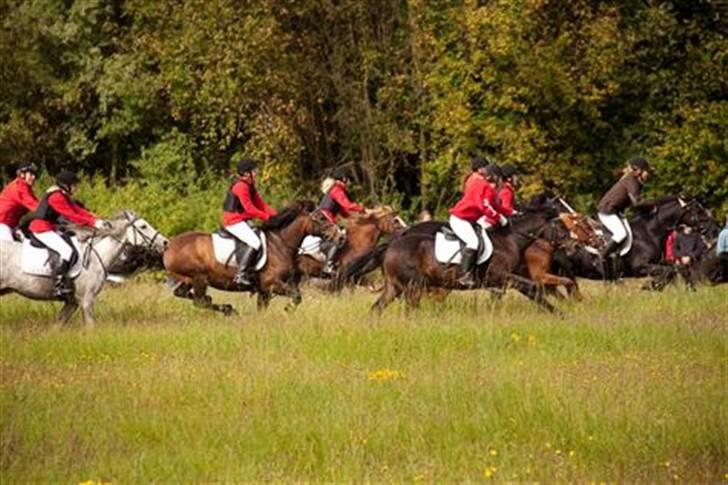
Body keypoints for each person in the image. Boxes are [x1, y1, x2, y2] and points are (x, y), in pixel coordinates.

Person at [29, 170, 109, 297]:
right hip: (41, 228)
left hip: (49, 227)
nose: (76, 188)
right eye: (74, 185)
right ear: (65, 185)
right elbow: (71, 215)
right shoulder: (56, 197)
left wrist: (96, 219)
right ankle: (58, 284)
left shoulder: (62, 195)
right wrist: (93, 223)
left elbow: (77, 210)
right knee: (67, 251)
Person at [449, 158, 508, 287]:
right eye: (500, 178)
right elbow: (484, 207)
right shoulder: (481, 184)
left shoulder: (481, 184)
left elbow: (495, 205)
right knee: (473, 242)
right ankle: (464, 275)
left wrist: (510, 214)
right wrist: (500, 218)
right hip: (461, 219)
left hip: (469, 220)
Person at [222, 158, 278, 285]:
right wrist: (266, 217)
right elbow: (249, 208)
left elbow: (261, 205)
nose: (257, 172)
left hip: (242, 219)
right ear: (247, 174)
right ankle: (240, 274)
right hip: (233, 221)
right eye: (255, 170)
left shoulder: (250, 186)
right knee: (255, 242)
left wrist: (277, 216)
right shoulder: (241, 187)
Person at [596, 156, 653, 260]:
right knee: (621, 234)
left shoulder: (634, 181)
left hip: (615, 212)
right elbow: (637, 203)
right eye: (647, 171)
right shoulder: (631, 180)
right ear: (639, 170)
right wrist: (651, 206)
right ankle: (602, 256)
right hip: (607, 212)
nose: (648, 174)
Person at [318, 167, 366, 274]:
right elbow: (347, 205)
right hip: (324, 217)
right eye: (349, 180)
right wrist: (361, 208)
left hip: (326, 217)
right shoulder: (337, 190)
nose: (350, 183)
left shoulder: (336, 189)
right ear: (344, 179)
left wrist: (356, 218)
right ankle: (328, 265)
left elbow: (344, 211)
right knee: (339, 237)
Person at [0, 162, 40, 241]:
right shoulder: (20, 187)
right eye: (31, 174)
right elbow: (37, 207)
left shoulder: (26, 188)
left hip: (11, 224)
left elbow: (39, 204)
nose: (34, 177)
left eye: (35, 175)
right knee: (10, 250)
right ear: (22, 174)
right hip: (2, 224)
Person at [673, 224, 704, 290]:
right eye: (688, 226)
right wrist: (681, 256)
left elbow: (700, 248)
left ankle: (693, 286)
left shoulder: (696, 236)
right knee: (681, 270)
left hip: (694, 261)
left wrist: (690, 256)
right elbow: (675, 249)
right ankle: (687, 285)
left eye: (691, 226)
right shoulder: (679, 236)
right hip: (682, 261)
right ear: (684, 227)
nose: (689, 228)